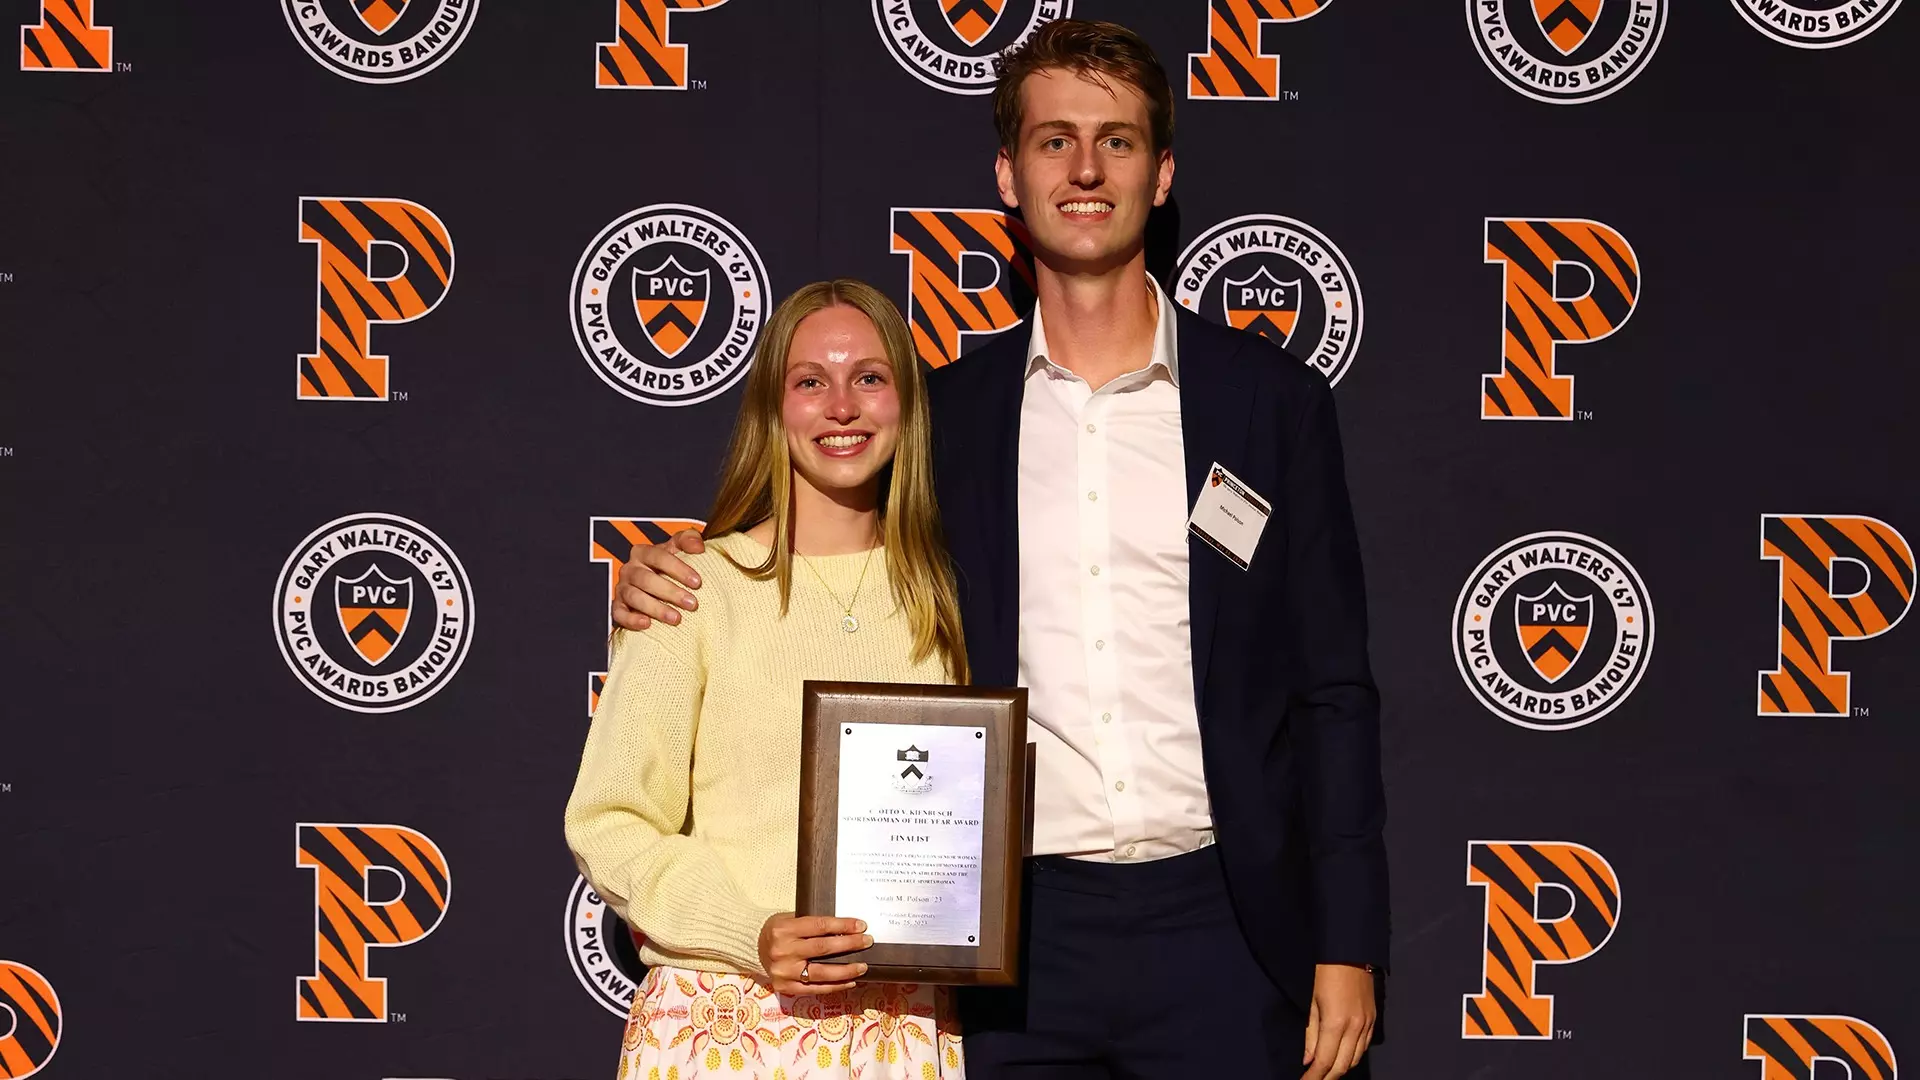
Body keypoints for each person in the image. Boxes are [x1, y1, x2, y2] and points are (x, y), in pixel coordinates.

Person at [612, 20, 1386, 1080]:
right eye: (1054, 140)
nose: (1085, 169)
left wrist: (1347, 941)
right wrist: (674, 573)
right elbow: (814, 538)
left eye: (1117, 141)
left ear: (1161, 175)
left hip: (1227, 923)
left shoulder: (1271, 404)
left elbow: (1333, 691)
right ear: (1008, 176)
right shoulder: (946, 416)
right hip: (1015, 941)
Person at [566, 279, 969, 1079]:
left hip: (902, 1030)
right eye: (810, 381)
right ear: (772, 409)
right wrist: (747, 931)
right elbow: (609, 820)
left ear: (907, 403)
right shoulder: (693, 591)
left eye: (870, 377)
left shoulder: (953, 598)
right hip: (725, 1025)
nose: (841, 406)